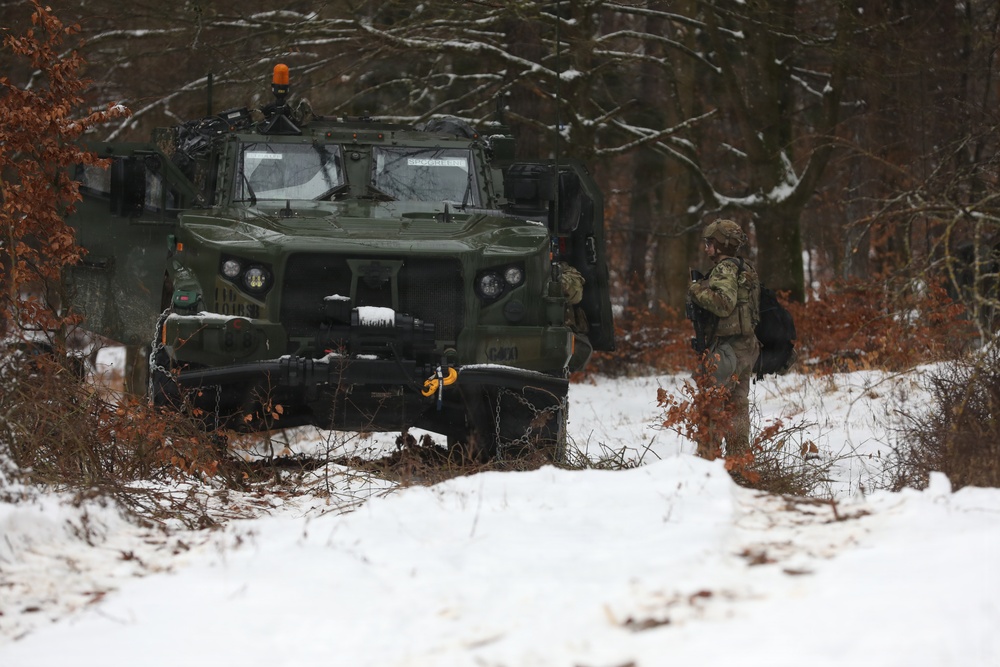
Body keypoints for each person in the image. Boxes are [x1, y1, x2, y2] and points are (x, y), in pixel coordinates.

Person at [686, 219, 761, 460]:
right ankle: (739, 462)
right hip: (746, 347)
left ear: (722, 244)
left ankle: (707, 463)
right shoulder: (746, 268)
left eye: (710, 243)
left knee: (712, 404)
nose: (707, 248)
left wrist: (696, 290)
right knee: (738, 405)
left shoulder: (724, 269)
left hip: (726, 349)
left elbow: (723, 304)